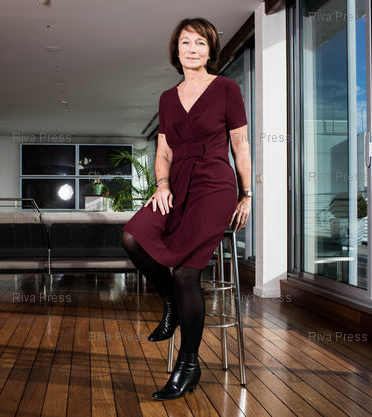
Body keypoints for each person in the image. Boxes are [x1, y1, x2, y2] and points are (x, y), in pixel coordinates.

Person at [121, 17, 251, 401]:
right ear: (175, 51)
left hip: (215, 186)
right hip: (176, 185)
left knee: (185, 274)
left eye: (200, 43)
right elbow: (163, 152)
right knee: (132, 236)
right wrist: (161, 185)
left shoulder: (227, 88)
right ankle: (171, 303)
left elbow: (240, 145)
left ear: (211, 51)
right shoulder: (167, 98)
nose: (192, 49)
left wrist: (247, 194)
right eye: (185, 43)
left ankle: (188, 364)